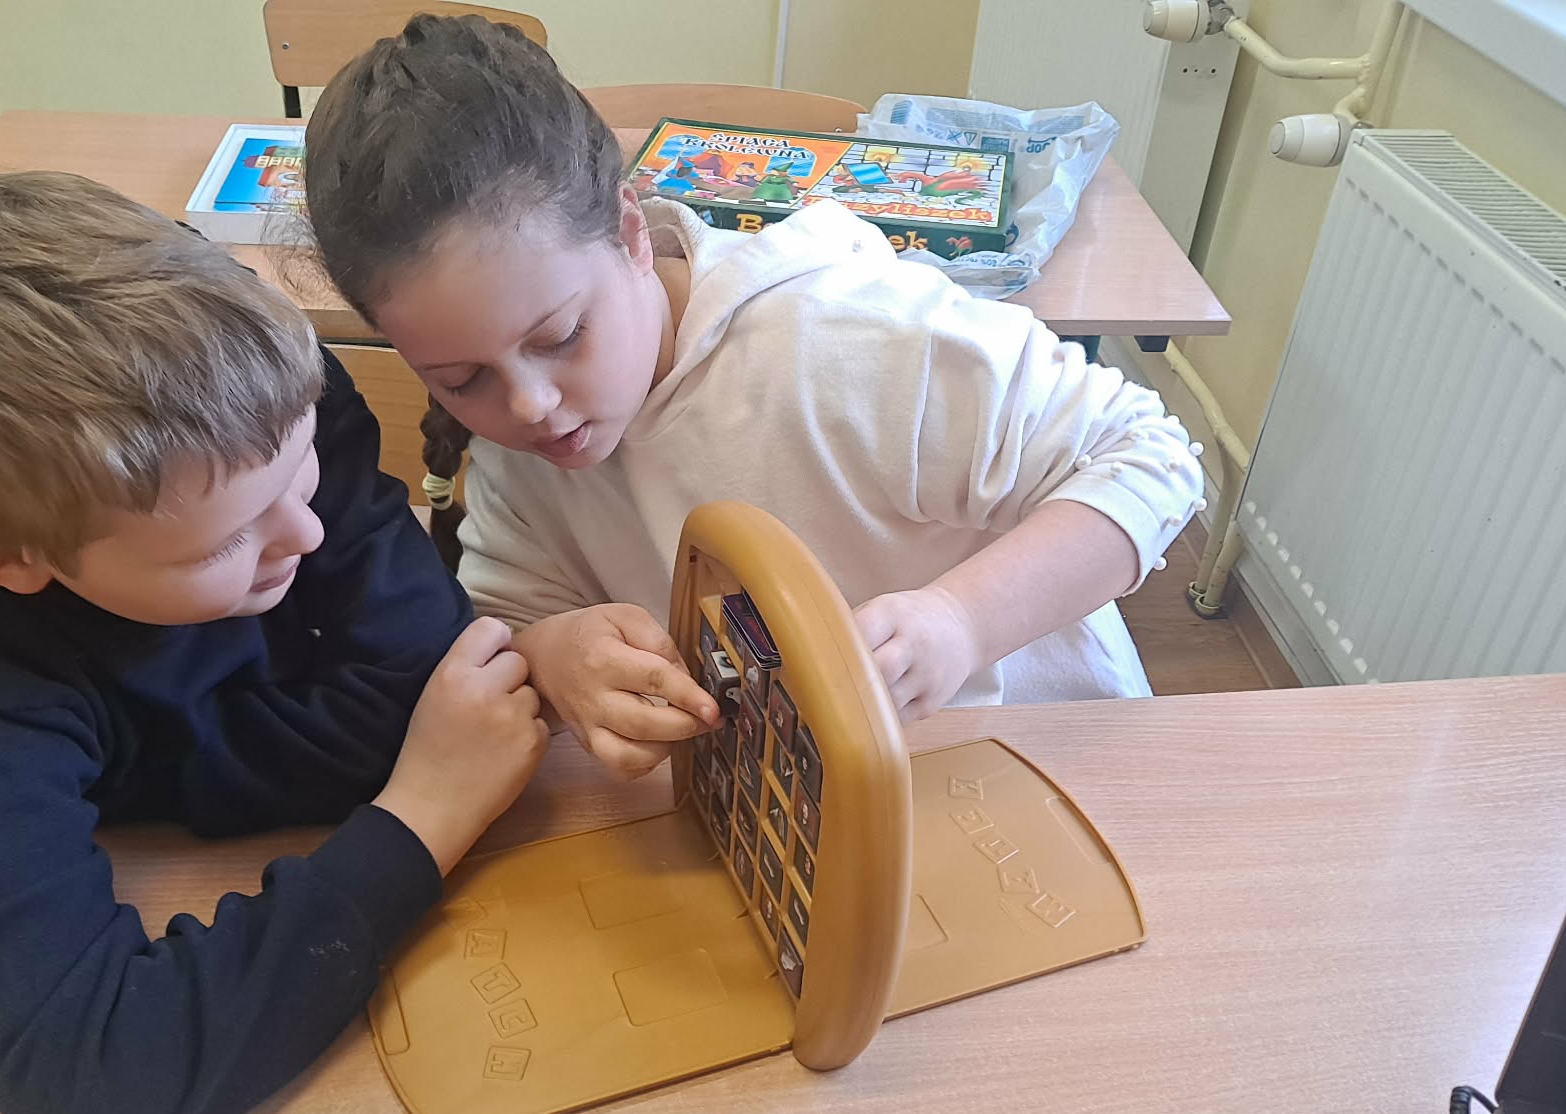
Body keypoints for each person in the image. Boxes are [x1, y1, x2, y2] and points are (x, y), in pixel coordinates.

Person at [0, 170, 547, 1114]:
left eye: (303, 468)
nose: (309, 533)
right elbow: (101, 1089)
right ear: (1, 563)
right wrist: (424, 813)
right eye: (223, 543)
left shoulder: (265, 384)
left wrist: (80, 786)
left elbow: (422, 692)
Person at [303, 15, 1206, 778]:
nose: (530, 406)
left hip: (1047, 769)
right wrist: (549, 652)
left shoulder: (850, 340)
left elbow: (1150, 458)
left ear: (630, 233)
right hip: (794, 807)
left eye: (561, 336)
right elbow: (510, 614)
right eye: (461, 380)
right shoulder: (520, 450)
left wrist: (962, 620)